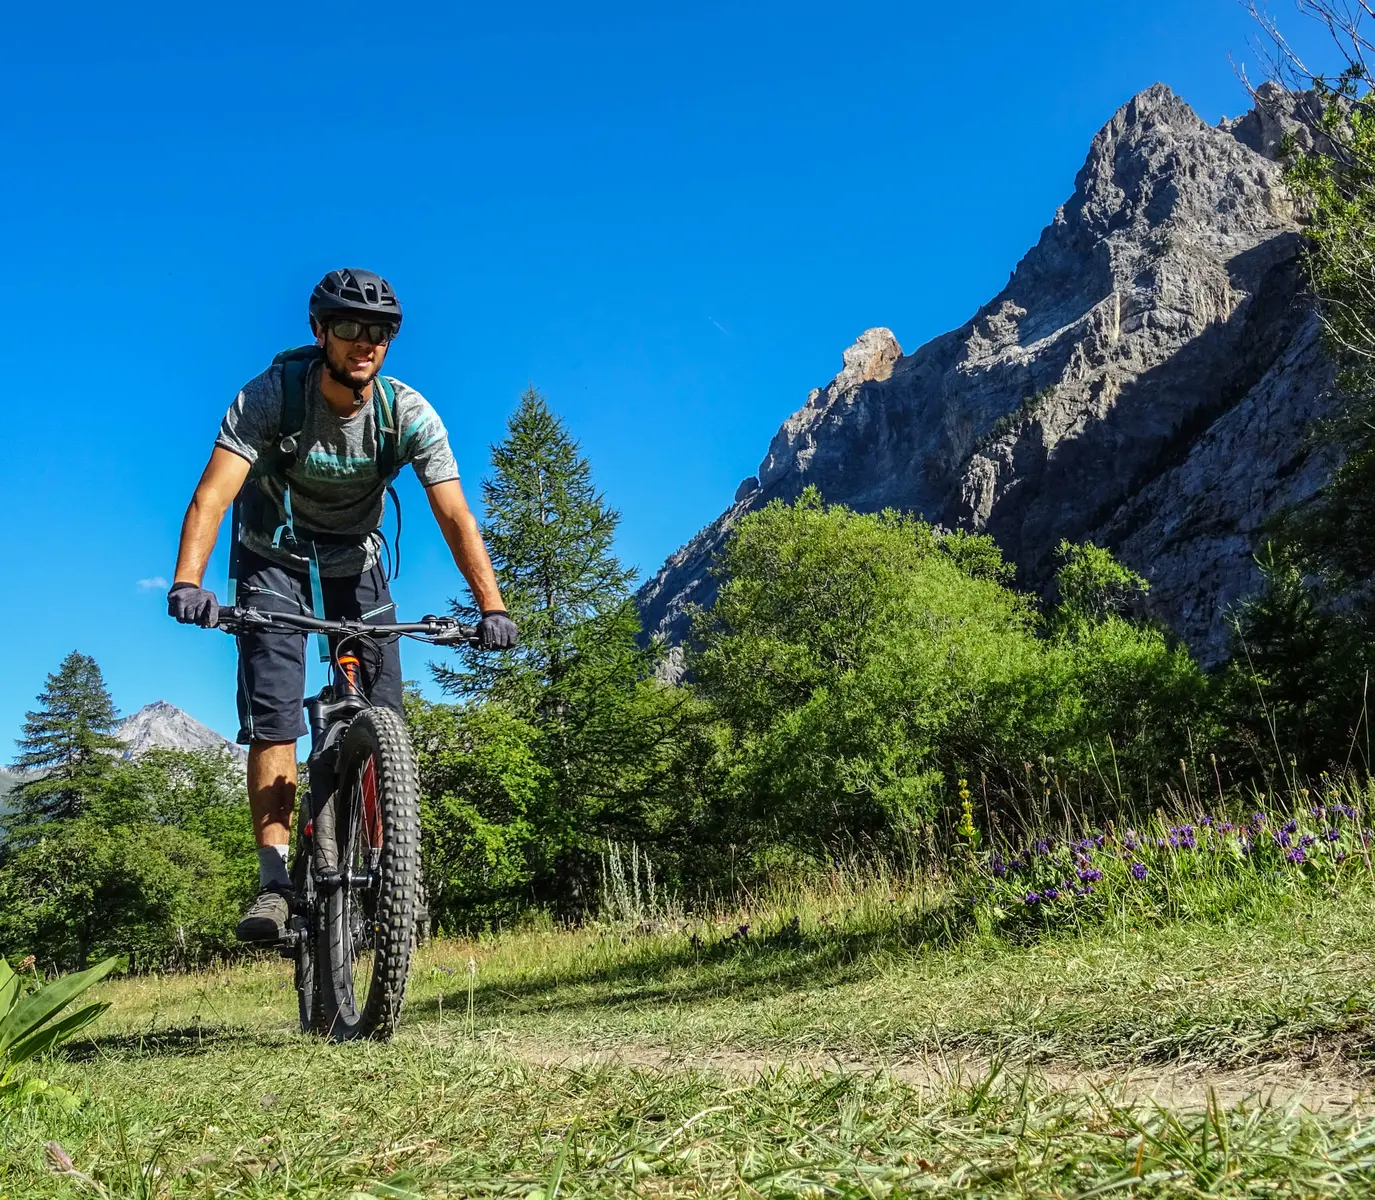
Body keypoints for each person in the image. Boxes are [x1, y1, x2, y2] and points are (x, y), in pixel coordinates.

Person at [167, 268, 516, 942]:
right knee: (274, 715)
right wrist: (188, 581)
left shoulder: (406, 413)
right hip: (273, 554)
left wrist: (491, 606)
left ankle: (390, 872)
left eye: (380, 331)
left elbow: (454, 515)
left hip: (355, 559)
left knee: (384, 715)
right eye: (351, 328)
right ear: (319, 330)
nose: (366, 342)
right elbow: (212, 493)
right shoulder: (271, 396)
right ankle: (273, 882)